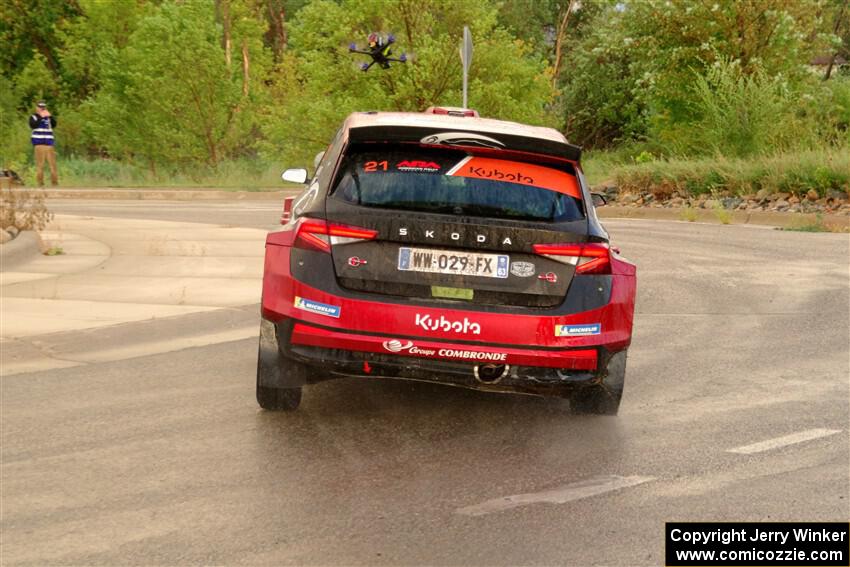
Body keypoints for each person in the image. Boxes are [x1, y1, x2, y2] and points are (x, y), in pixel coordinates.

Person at [29, 101, 58, 186]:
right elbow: (33, 125)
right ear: (37, 108)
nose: (42, 108)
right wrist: (41, 117)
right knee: (40, 165)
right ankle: (40, 184)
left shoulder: (48, 118)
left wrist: (50, 116)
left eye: (43, 107)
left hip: (49, 144)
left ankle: (54, 183)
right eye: (40, 107)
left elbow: (54, 125)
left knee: (52, 165)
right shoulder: (33, 117)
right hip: (39, 144)